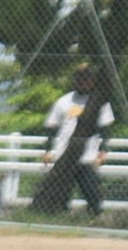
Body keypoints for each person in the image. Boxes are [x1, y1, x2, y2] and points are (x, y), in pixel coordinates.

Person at [36, 69, 109, 218]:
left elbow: (105, 129)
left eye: (87, 79)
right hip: (65, 155)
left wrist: (103, 151)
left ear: (92, 81)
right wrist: (48, 150)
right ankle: (60, 215)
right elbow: (51, 128)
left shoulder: (99, 101)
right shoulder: (63, 101)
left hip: (87, 154)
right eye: (80, 79)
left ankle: (95, 215)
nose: (83, 82)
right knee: (62, 188)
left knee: (90, 188)